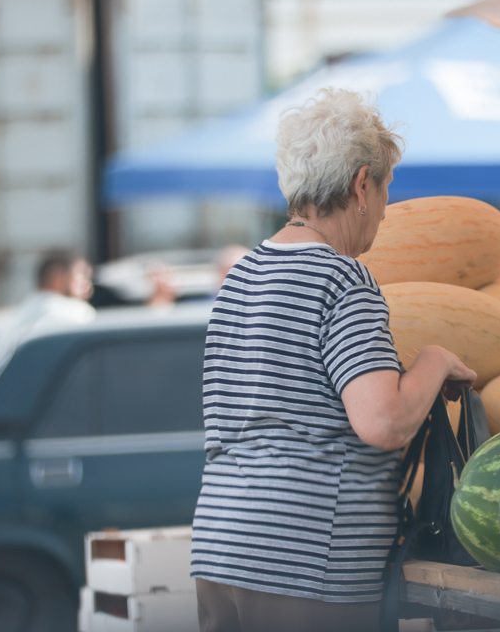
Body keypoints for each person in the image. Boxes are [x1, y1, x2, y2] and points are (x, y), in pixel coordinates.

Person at [190, 88, 477, 632]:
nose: (388, 211)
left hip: (222, 547)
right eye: (388, 186)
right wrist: (435, 360)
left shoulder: (242, 276)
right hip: (306, 559)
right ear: (361, 184)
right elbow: (383, 421)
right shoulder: (341, 278)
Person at [4, 249, 96, 346]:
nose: (88, 286)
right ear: (57, 278)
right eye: (82, 277)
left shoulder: (24, 312)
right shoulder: (73, 313)